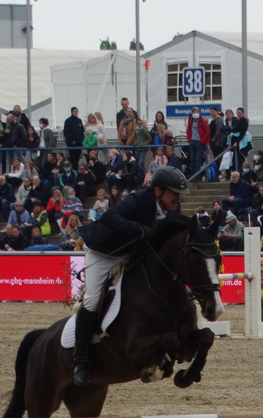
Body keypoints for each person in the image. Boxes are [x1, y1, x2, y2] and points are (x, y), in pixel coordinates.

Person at [71, 166, 190, 387]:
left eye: (179, 193)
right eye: (174, 192)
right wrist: (139, 229)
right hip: (104, 252)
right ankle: (80, 361)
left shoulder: (172, 206)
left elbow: (181, 224)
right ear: (157, 191)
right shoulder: (138, 200)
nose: (178, 198)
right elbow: (109, 217)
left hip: (132, 253)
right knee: (92, 300)